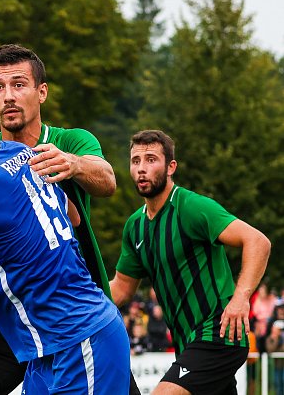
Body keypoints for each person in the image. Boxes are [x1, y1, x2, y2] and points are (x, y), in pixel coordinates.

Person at [0, 44, 137, 395]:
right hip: (18, 321)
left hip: (73, 316)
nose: (8, 96)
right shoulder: (12, 155)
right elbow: (68, 214)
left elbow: (107, 180)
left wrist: (74, 164)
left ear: (41, 92)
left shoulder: (67, 142)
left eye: (18, 84)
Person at [110, 130, 271, 394]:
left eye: (151, 159)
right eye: (136, 161)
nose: (141, 169)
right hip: (188, 344)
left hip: (219, 334)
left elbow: (258, 241)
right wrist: (80, 308)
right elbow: (122, 288)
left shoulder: (192, 207)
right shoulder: (135, 227)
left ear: (171, 167)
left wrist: (241, 298)